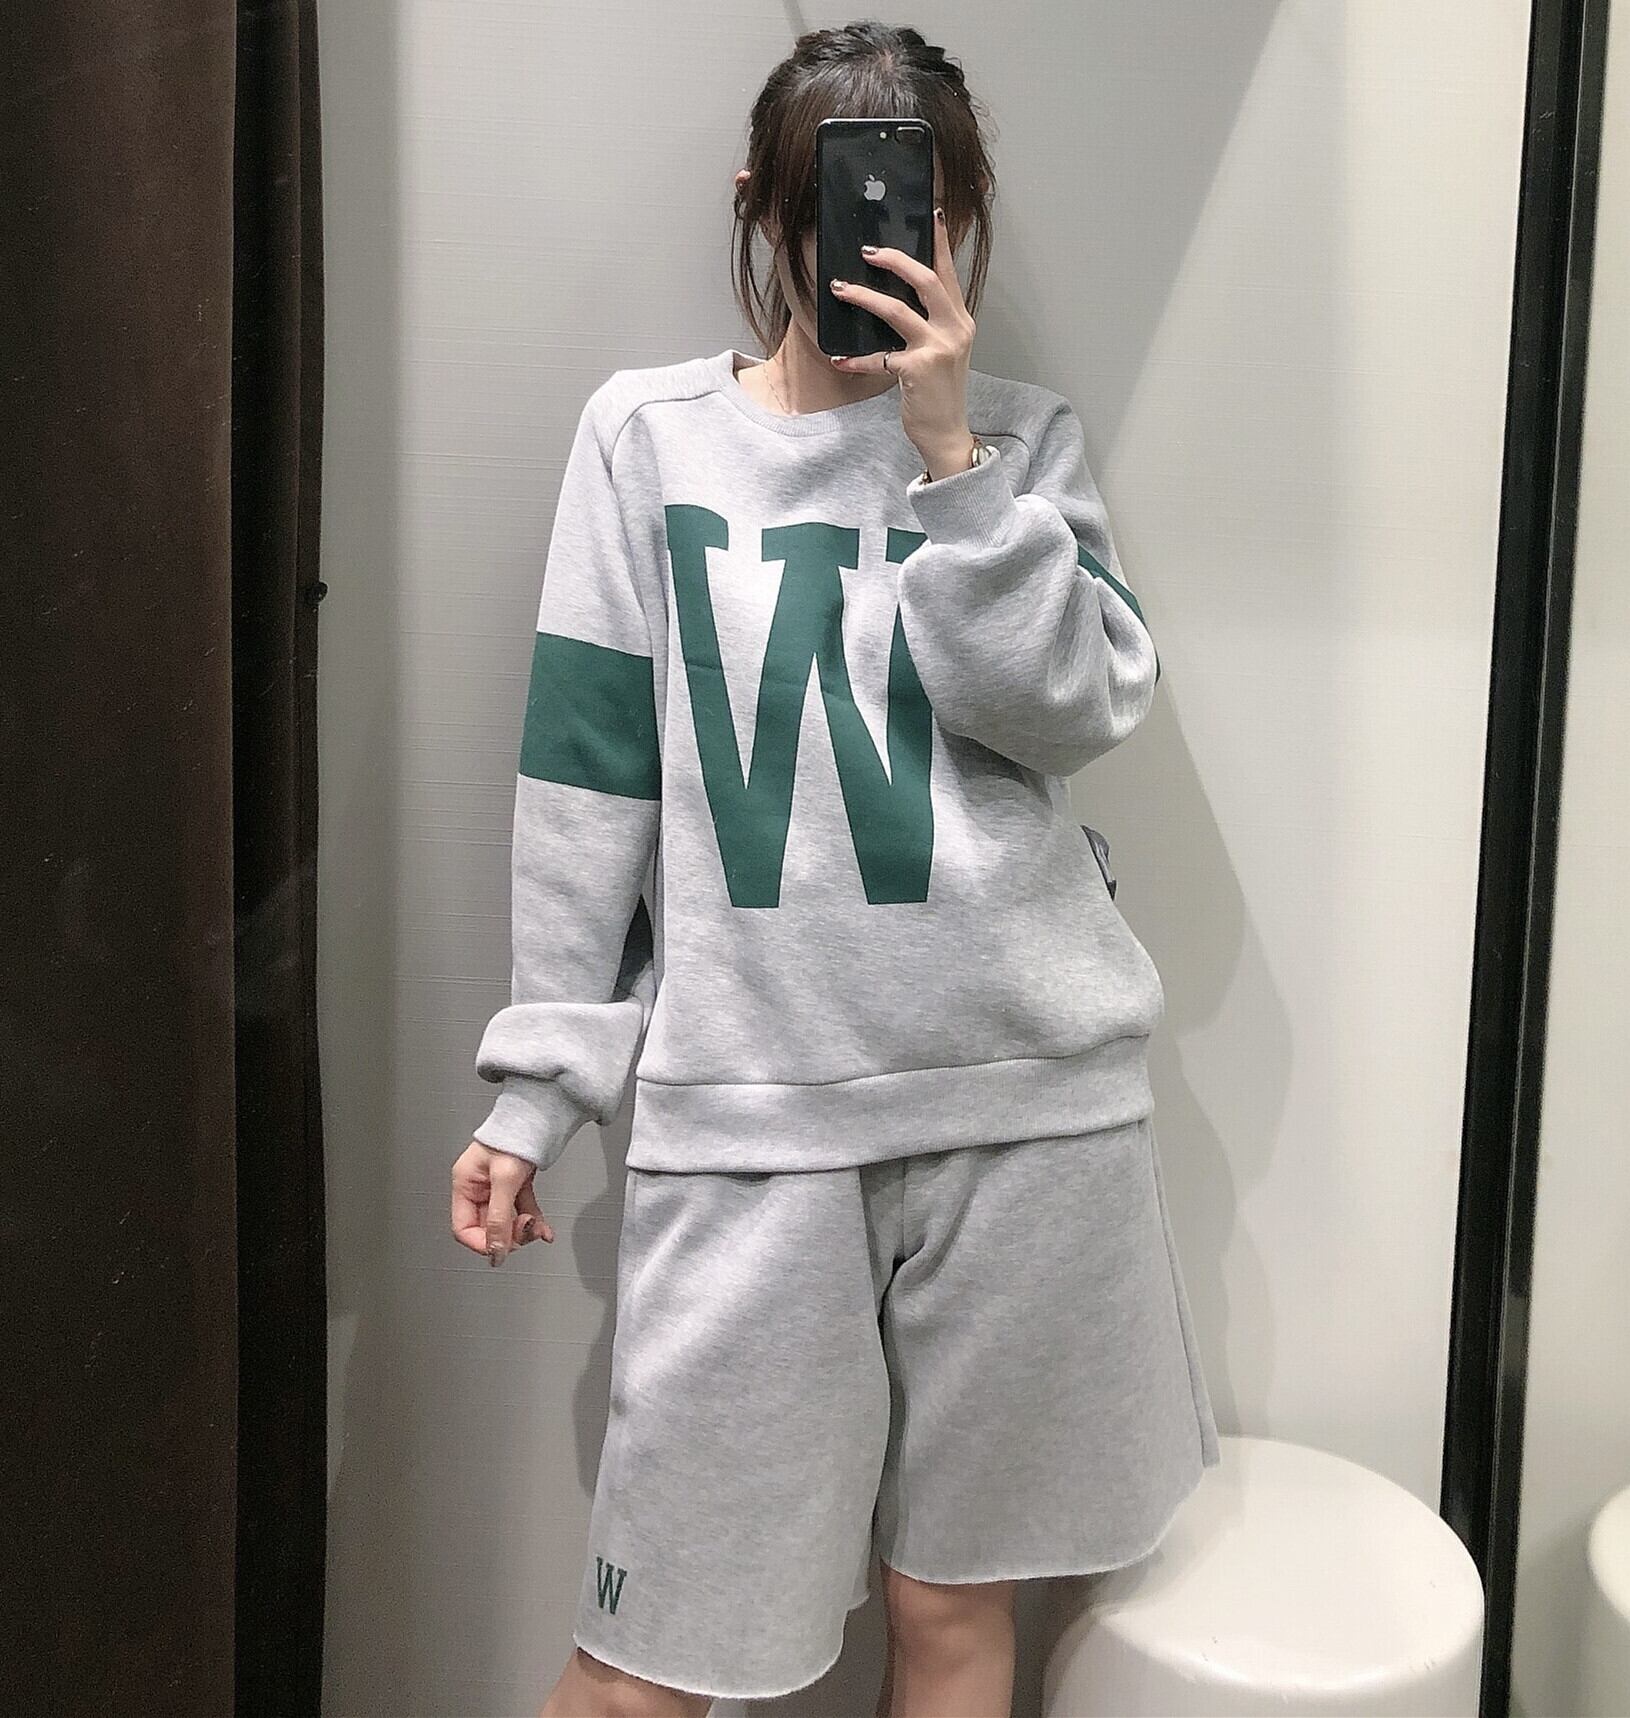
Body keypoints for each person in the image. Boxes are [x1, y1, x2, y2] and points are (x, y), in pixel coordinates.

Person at [449, 21, 1220, 1718]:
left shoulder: (1019, 446)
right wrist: (540, 1085)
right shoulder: (647, 442)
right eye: (836, 204)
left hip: (1027, 1114)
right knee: (647, 1660)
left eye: (918, 212)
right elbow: (587, 774)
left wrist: (954, 467)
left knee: (951, 1619)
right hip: (751, 1125)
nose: (876, 242)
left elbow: (1079, 707)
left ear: (964, 219)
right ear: (761, 202)